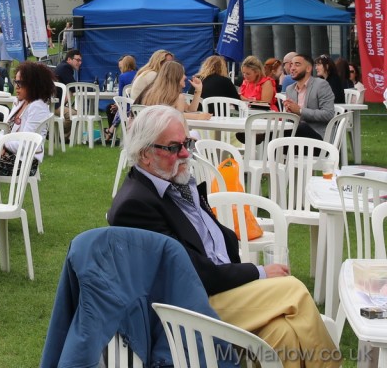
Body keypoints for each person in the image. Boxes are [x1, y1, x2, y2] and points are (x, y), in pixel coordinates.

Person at [108, 105, 338, 368]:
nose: (185, 153)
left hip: (219, 289)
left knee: (282, 333)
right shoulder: (136, 205)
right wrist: (259, 272)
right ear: (145, 154)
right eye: (173, 148)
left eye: (187, 143)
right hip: (187, 309)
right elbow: (190, 274)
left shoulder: (175, 182)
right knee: (293, 290)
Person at [0, 61, 53, 177]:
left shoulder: (37, 107)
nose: (16, 87)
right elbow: (5, 131)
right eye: (16, 82)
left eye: (21, 83)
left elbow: (26, 144)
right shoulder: (22, 102)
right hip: (12, 155)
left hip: (22, 163)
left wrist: (0, 143)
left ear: (33, 84)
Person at [283, 53, 336, 140]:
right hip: (297, 134)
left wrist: (300, 110)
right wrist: (290, 111)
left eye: (297, 64)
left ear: (308, 68)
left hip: (318, 135)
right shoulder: (290, 89)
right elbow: (292, 119)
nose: (292, 68)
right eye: (291, 65)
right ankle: (263, 136)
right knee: (276, 131)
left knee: (299, 128)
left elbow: (328, 114)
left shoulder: (321, 85)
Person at [136, 61, 203, 113]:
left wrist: (198, 90)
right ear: (175, 77)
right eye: (182, 74)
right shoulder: (178, 97)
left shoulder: (149, 93)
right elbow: (179, 118)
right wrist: (199, 117)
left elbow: (190, 110)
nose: (185, 77)